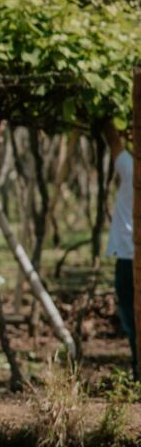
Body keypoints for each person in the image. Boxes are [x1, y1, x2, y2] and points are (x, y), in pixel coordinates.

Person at [104, 121, 139, 380]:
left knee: (131, 316)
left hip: (128, 257)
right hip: (130, 254)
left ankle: (138, 369)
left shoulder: (131, 168)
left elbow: (112, 141)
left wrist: (106, 116)